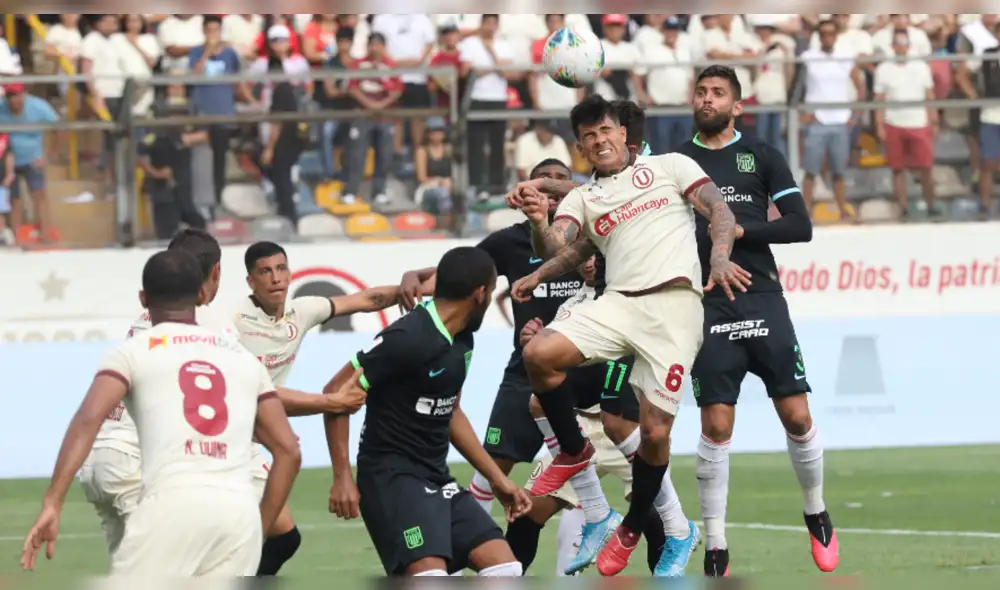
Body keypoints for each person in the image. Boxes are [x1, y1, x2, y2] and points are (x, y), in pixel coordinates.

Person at [505, 93, 747, 577]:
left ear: (624, 134)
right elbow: (562, 244)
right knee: (539, 354)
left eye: (606, 131)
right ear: (581, 146)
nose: (599, 141)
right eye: (589, 137)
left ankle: (644, 526)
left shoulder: (672, 167)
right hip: (617, 303)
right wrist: (538, 223)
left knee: (655, 433)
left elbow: (719, 211)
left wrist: (719, 255)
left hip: (674, 307)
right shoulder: (582, 197)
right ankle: (574, 452)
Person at [77, 230, 367, 576]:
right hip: (148, 463)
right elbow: (269, 419)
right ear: (216, 273)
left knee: (277, 536)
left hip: (103, 462)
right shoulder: (211, 327)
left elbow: (89, 415)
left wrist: (52, 499)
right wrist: (330, 402)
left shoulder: (148, 327)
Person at [20, 250, 304, 576]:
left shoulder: (134, 351)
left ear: (143, 299)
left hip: (169, 508)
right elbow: (289, 450)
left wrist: (53, 501)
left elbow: (89, 419)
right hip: (237, 514)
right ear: (201, 294)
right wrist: (259, 529)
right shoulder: (241, 358)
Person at [674, 65, 834, 577]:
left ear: (737, 106)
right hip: (705, 302)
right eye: (701, 92)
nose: (707, 99)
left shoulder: (761, 155)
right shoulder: (677, 162)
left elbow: (801, 226)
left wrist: (740, 231)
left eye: (718, 93)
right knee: (716, 424)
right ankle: (717, 543)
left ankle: (816, 511)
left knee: (797, 417)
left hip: (761, 295)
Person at [395, 159, 582, 526]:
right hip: (526, 368)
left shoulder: (596, 236)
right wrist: (412, 275)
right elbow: (454, 279)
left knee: (587, 473)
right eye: (544, 181)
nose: (553, 188)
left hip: (587, 366)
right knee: (494, 465)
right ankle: (469, 544)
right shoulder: (509, 242)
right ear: (530, 192)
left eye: (561, 180)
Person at [324, 247, 533, 576]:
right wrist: (342, 477)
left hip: (436, 476)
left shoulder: (463, 337)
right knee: (430, 578)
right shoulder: (409, 337)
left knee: (505, 570)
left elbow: (451, 412)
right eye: (491, 292)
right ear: (480, 294)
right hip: (392, 479)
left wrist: (498, 480)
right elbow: (336, 390)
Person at [508, 254, 694, 577]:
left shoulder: (628, 297)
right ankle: (506, 576)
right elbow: (555, 369)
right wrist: (534, 339)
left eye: (599, 255)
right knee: (528, 511)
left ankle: (668, 565)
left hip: (624, 422)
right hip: (577, 424)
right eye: (586, 255)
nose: (591, 262)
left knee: (654, 519)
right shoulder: (572, 304)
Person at [232, 239, 403, 575]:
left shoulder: (301, 311)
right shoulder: (233, 322)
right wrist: (331, 402)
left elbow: (368, 299)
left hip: (248, 445)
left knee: (282, 539)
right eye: (265, 272)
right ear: (250, 282)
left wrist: (422, 287)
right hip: (223, 441)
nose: (276, 278)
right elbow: (256, 394)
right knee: (239, 539)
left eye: (281, 269)